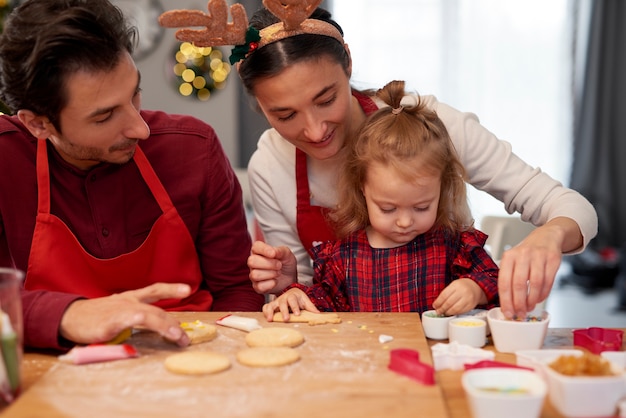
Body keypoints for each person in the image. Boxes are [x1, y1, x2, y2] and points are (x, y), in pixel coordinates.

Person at [160, 0, 598, 320]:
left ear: (347, 62)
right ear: (260, 107)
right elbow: (316, 293)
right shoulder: (270, 167)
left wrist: (551, 235)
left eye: (326, 98)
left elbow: (574, 208)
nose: (314, 131)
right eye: (284, 115)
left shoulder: (431, 124)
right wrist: (287, 282)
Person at [0, 0, 264, 351]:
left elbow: (235, 291)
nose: (140, 129)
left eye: (134, 93)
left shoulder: (192, 149)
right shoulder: (6, 158)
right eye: (104, 116)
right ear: (37, 124)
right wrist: (69, 315)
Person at [263, 80, 499, 320]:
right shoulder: (343, 258)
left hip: (434, 356)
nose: (405, 221)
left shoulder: (454, 245)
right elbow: (321, 304)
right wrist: (294, 293)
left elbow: (495, 279)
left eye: (421, 207)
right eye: (387, 208)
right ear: (363, 190)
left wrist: (475, 288)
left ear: (442, 188)